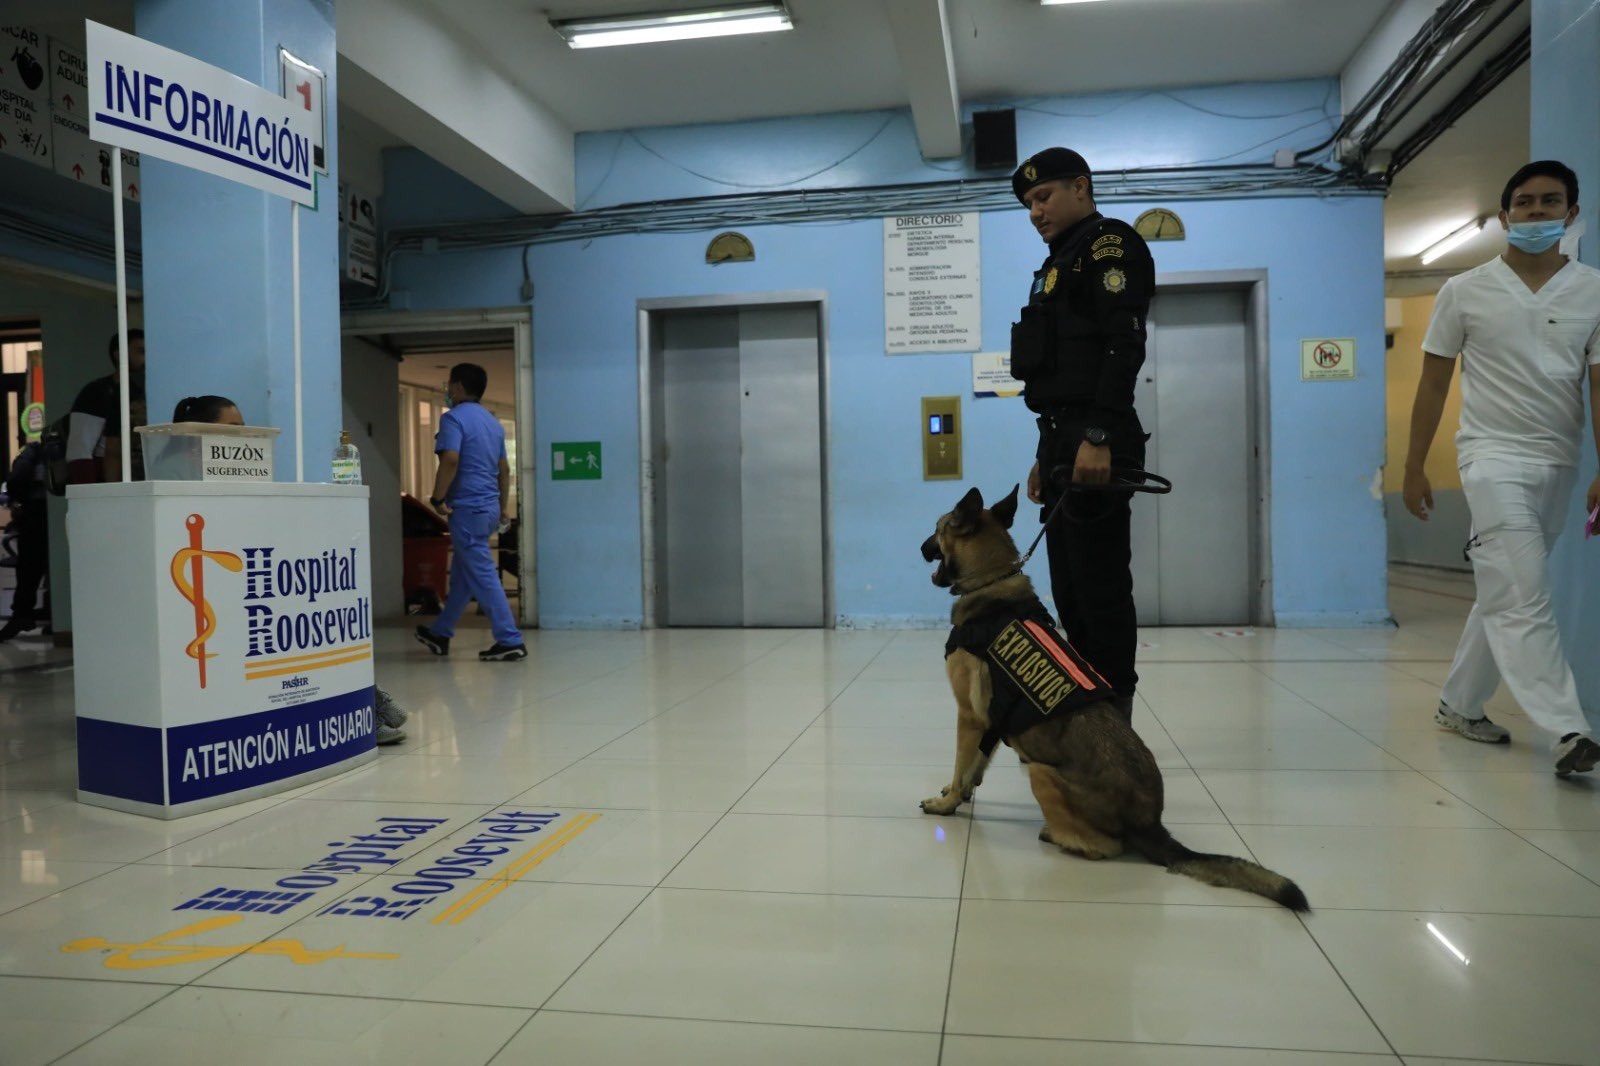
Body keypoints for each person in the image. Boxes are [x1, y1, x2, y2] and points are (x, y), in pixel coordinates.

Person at [1404, 159, 1600, 777]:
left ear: (1571, 215)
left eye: (1550, 202)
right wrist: (1413, 466)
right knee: (1524, 594)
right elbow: (1433, 386)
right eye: (1525, 202)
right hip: (1489, 457)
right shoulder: (1464, 290)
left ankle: (1459, 705)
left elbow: (1599, 388)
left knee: (1505, 589)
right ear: (1503, 215)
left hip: (1557, 463)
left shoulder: (1594, 291)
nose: (1537, 212)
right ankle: (1568, 727)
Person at [1007, 147, 1155, 723]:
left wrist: (1098, 435)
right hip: (1062, 440)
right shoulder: (1056, 263)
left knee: (1100, 594)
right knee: (1070, 594)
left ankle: (1114, 730)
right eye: (1027, 203)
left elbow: (1124, 345)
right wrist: (1047, 454)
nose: (1035, 211)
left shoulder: (1110, 245)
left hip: (1098, 438)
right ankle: (1084, 720)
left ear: (1081, 187)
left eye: (1043, 197)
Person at [172, 396, 409, 745]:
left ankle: (363, 704)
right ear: (198, 437)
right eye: (233, 429)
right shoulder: (175, 486)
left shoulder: (242, 479)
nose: (245, 437)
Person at [415, 363, 525, 662]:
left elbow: (450, 459)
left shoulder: (453, 420)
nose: (448, 390)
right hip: (488, 508)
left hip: (467, 507)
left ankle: (509, 638)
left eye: (450, 385)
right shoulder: (492, 423)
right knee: (465, 574)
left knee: (484, 574)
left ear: (460, 386)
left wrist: (437, 498)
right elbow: (504, 469)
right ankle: (441, 632)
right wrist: (502, 507)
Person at [67, 329, 147, 483]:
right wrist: (89, 496)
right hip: (105, 482)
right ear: (119, 354)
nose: (146, 358)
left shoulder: (140, 392)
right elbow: (79, 450)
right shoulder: (97, 392)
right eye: (140, 351)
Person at [1, 437, 50, 641]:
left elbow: (16, 479)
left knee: (29, 568)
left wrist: (17, 501)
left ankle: (22, 614)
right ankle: (53, 612)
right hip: (61, 512)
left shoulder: (34, 450)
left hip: (34, 514)